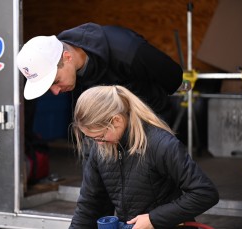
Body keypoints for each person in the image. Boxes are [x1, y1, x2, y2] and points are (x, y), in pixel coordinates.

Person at [69, 85, 219, 229]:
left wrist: (153, 219)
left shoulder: (161, 144)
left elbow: (205, 193)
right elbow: (89, 204)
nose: (98, 144)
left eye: (100, 137)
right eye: (91, 138)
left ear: (117, 120)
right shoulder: (99, 149)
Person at [16, 22, 183, 121]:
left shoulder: (127, 50)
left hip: (151, 121)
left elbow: (173, 77)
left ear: (67, 57)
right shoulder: (58, 56)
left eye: (55, 81)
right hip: (107, 132)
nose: (56, 91)